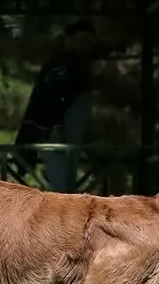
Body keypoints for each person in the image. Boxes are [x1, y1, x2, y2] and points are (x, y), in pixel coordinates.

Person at [12, 20, 98, 192]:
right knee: (61, 188)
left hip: (71, 140)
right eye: (81, 40)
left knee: (67, 185)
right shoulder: (62, 63)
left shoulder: (80, 65)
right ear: (69, 40)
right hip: (57, 136)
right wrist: (56, 126)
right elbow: (51, 94)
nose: (85, 46)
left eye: (89, 43)